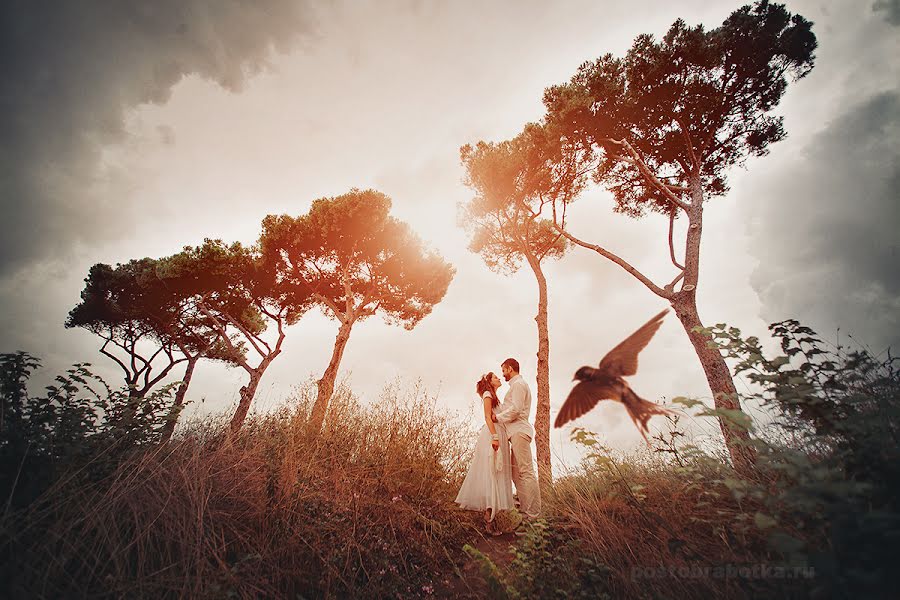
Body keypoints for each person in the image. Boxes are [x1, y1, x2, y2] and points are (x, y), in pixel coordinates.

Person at [455, 372, 515, 535]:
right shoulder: (488, 394)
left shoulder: (495, 397)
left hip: (500, 435)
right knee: (491, 474)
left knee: (496, 473)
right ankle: (488, 523)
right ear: (489, 382)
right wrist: (495, 437)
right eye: (496, 377)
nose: (499, 378)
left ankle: (491, 521)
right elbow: (488, 417)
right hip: (492, 435)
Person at [495, 358, 541, 532]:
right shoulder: (515, 386)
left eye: (504, 370)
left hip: (520, 431)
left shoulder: (519, 385)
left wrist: (497, 418)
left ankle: (534, 515)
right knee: (516, 474)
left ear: (510, 368)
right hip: (515, 433)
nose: (503, 374)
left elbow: (515, 410)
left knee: (526, 471)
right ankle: (524, 511)